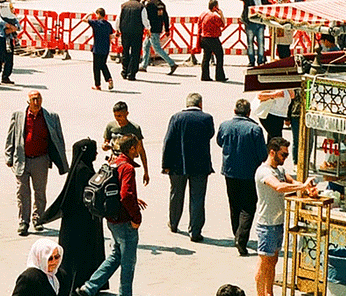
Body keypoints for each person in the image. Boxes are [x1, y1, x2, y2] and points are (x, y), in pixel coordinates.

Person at [74, 134, 145, 296]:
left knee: (116, 256)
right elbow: (125, 195)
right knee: (128, 263)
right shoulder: (127, 168)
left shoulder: (113, 163)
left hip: (112, 219)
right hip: (125, 222)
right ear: (131, 148)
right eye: (138, 147)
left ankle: (89, 288)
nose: (139, 150)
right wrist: (136, 218)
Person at [43, 139, 105, 296]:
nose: (96, 153)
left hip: (75, 222)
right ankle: (81, 283)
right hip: (82, 223)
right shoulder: (83, 170)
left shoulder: (81, 168)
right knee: (83, 253)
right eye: (94, 150)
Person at [255, 137, 316, 296]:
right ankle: (260, 294)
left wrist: (306, 188)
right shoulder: (264, 171)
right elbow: (279, 187)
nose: (285, 158)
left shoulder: (280, 171)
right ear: (272, 152)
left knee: (273, 262)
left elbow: (292, 182)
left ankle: (269, 293)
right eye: (283, 154)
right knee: (264, 263)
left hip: (277, 223)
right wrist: (302, 186)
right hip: (267, 223)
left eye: (287, 155)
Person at [6, 90, 69, 237]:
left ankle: (38, 218)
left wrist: (61, 159)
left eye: (39, 99)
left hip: (41, 159)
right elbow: (11, 137)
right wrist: (9, 156)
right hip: (22, 159)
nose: (37, 102)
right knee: (22, 192)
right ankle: (24, 222)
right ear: (28, 101)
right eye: (34, 99)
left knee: (40, 191)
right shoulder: (18, 116)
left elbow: (59, 138)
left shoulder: (51, 117)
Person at [161, 92, 215, 242]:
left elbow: (168, 141)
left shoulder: (176, 117)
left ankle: (173, 223)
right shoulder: (207, 118)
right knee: (197, 198)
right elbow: (210, 134)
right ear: (200, 104)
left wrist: (165, 164)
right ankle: (195, 231)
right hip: (200, 165)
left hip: (177, 165)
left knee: (176, 194)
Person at [217, 99, 267, 257]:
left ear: (234, 111)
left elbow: (220, 142)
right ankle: (241, 238)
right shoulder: (255, 129)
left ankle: (237, 234)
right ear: (249, 112)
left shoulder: (225, 125)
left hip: (230, 171)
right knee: (248, 207)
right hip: (249, 173)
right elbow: (263, 154)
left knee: (234, 204)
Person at [104, 102, 150, 185]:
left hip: (126, 165)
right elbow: (105, 144)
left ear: (127, 113)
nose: (117, 118)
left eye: (120, 116)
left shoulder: (134, 128)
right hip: (114, 164)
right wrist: (105, 146)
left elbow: (141, 150)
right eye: (115, 116)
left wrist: (146, 171)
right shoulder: (110, 126)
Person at [139, 0, 178, 75]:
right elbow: (165, 17)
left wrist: (143, 1)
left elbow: (143, 12)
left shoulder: (150, 4)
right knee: (146, 45)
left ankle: (172, 64)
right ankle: (144, 65)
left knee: (157, 48)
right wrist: (167, 29)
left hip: (152, 29)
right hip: (158, 28)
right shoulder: (161, 4)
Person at [116, 0, 149, 81]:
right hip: (136, 32)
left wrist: (117, 29)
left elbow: (118, 18)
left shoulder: (123, 5)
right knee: (135, 52)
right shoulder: (141, 7)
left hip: (125, 32)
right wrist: (148, 28)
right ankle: (131, 74)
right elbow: (144, 20)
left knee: (125, 51)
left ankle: (124, 71)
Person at [240, 0, 271, 67]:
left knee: (261, 43)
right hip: (250, 23)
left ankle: (260, 61)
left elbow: (269, 6)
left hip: (260, 23)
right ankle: (251, 61)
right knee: (250, 43)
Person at [0, 0, 19, 85]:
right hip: (0, 37)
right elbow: (0, 21)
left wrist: (14, 28)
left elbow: (18, 24)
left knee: (9, 59)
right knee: (0, 58)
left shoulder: (11, 13)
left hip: (9, 38)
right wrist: (8, 26)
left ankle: (6, 77)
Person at [199, 0, 227, 82]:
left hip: (204, 37)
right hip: (212, 38)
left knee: (206, 57)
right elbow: (222, 24)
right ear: (215, 7)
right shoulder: (214, 16)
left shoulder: (203, 14)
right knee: (219, 56)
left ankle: (205, 75)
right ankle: (219, 76)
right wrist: (221, 14)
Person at [88, 8, 114, 91]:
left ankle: (97, 85)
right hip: (105, 48)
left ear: (99, 14)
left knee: (96, 67)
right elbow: (111, 36)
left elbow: (83, 19)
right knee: (103, 64)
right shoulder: (108, 24)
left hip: (97, 48)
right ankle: (109, 79)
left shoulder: (95, 23)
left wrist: (89, 14)